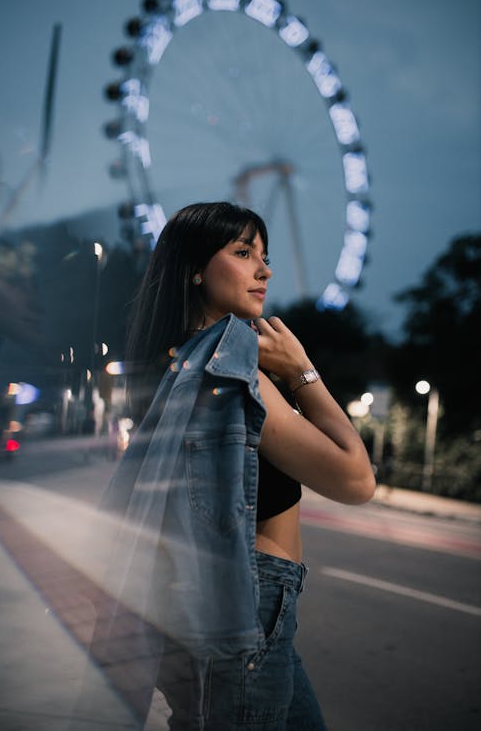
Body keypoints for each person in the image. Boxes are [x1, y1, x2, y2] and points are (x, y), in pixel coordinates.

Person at [105, 201, 376, 730]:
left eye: (265, 255)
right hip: (246, 603)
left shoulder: (176, 361)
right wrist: (301, 370)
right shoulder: (228, 371)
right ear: (195, 269)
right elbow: (355, 478)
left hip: (217, 601)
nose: (265, 270)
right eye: (243, 251)